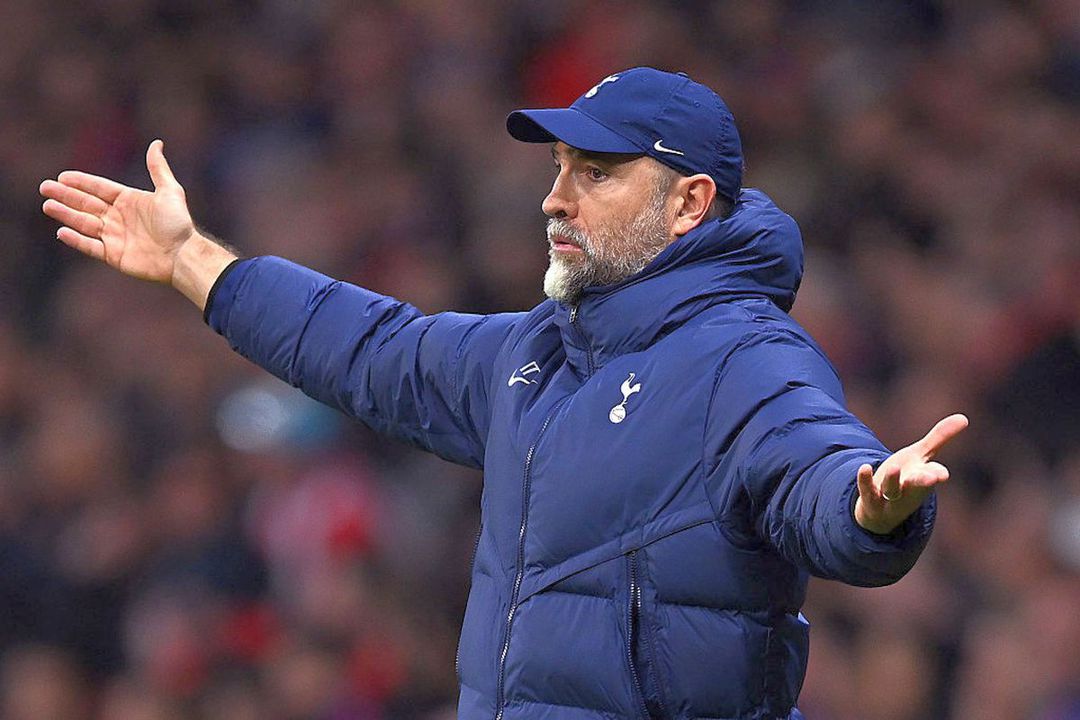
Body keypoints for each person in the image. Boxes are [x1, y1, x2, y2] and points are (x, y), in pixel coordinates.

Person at [40, 67, 967, 720]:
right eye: (558, 167)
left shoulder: (745, 357)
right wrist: (192, 261)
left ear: (688, 204)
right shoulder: (539, 351)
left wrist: (870, 511)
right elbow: (372, 348)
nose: (555, 198)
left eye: (595, 174)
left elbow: (818, 469)